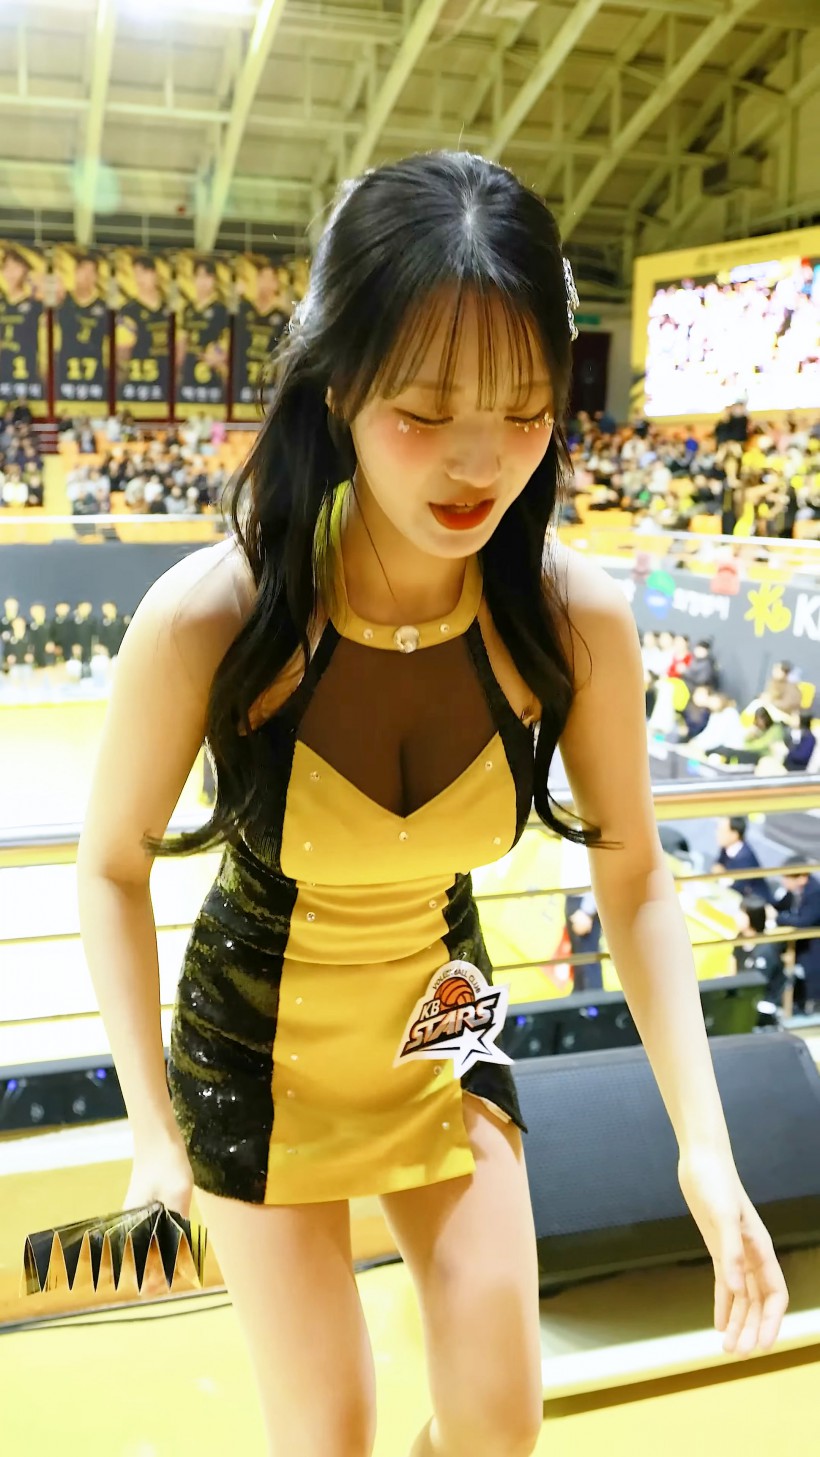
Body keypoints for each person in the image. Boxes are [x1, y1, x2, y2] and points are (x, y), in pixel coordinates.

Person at [76, 152, 786, 1456]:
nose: (481, 461)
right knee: (330, 1431)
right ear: (337, 385)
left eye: (525, 411)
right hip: (255, 1055)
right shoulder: (214, 618)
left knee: (497, 1423)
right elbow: (109, 868)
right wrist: (151, 1133)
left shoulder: (574, 619)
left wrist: (705, 1148)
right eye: (424, 409)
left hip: (443, 1030)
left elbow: (634, 872)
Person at [770, 858, 820, 1016]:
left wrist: (777, 917)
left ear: (802, 878)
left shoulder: (814, 894)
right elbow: (779, 905)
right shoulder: (793, 891)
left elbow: (804, 921)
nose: (783, 881)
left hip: (813, 948)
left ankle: (810, 1005)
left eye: (787, 878)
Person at [733, 895, 788, 1010]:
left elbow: (758, 984)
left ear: (753, 917)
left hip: (763, 1002)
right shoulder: (739, 939)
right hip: (742, 995)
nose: (737, 917)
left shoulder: (766, 949)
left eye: (742, 914)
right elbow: (733, 968)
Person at [711, 816, 770, 902]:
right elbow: (717, 868)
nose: (717, 834)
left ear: (734, 835)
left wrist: (722, 877)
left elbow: (736, 887)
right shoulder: (725, 847)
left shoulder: (746, 858)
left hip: (754, 901)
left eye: (721, 831)